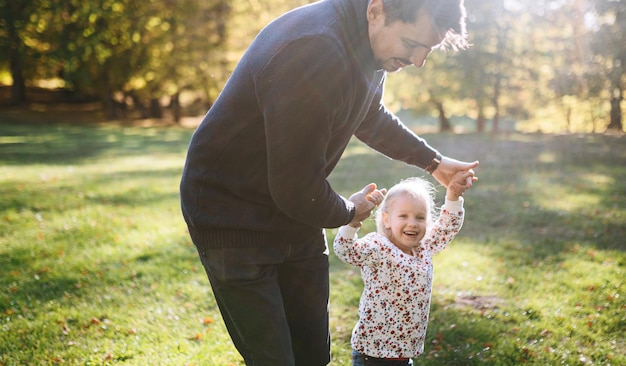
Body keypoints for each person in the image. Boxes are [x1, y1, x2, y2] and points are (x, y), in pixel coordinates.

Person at [179, 0, 478, 364]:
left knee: (312, 356)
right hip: (231, 216)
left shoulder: (370, 49)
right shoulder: (312, 48)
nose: (417, 61)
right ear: (377, 10)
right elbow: (295, 188)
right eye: (412, 45)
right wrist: (351, 210)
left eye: (427, 51)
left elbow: (367, 113)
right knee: (275, 359)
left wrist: (434, 163)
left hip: (296, 213)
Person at [334, 173, 471, 365]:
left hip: (404, 353)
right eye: (403, 216)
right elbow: (345, 250)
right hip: (374, 353)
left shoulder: (424, 248)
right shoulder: (379, 247)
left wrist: (453, 196)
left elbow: (447, 227)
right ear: (387, 220)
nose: (412, 223)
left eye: (420, 217)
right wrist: (353, 221)